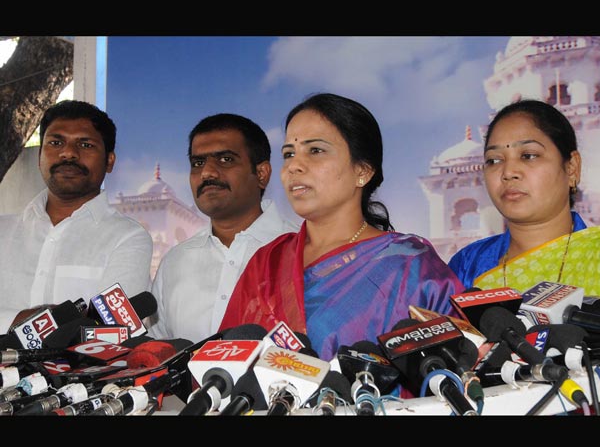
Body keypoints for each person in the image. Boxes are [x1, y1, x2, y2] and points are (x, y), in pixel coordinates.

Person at [218, 93, 463, 363]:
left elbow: (453, 368)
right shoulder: (268, 261)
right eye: (288, 154)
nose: (293, 166)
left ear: (362, 171)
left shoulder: (409, 265)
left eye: (315, 150)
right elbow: (223, 361)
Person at [0, 100, 153, 332]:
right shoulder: (3, 231)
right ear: (40, 155)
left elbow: (113, 332)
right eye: (56, 142)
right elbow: (79, 325)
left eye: (85, 144)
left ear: (109, 161)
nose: (68, 153)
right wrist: (42, 319)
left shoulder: (128, 238)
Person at [147, 113, 299, 343]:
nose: (207, 172)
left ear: (261, 174)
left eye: (226, 160)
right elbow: (160, 352)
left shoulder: (302, 249)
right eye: (198, 163)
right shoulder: (175, 262)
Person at [448, 99, 600, 295]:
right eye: (494, 160)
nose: (508, 172)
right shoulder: (468, 265)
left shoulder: (595, 255)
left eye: (528, 155)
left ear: (572, 168)